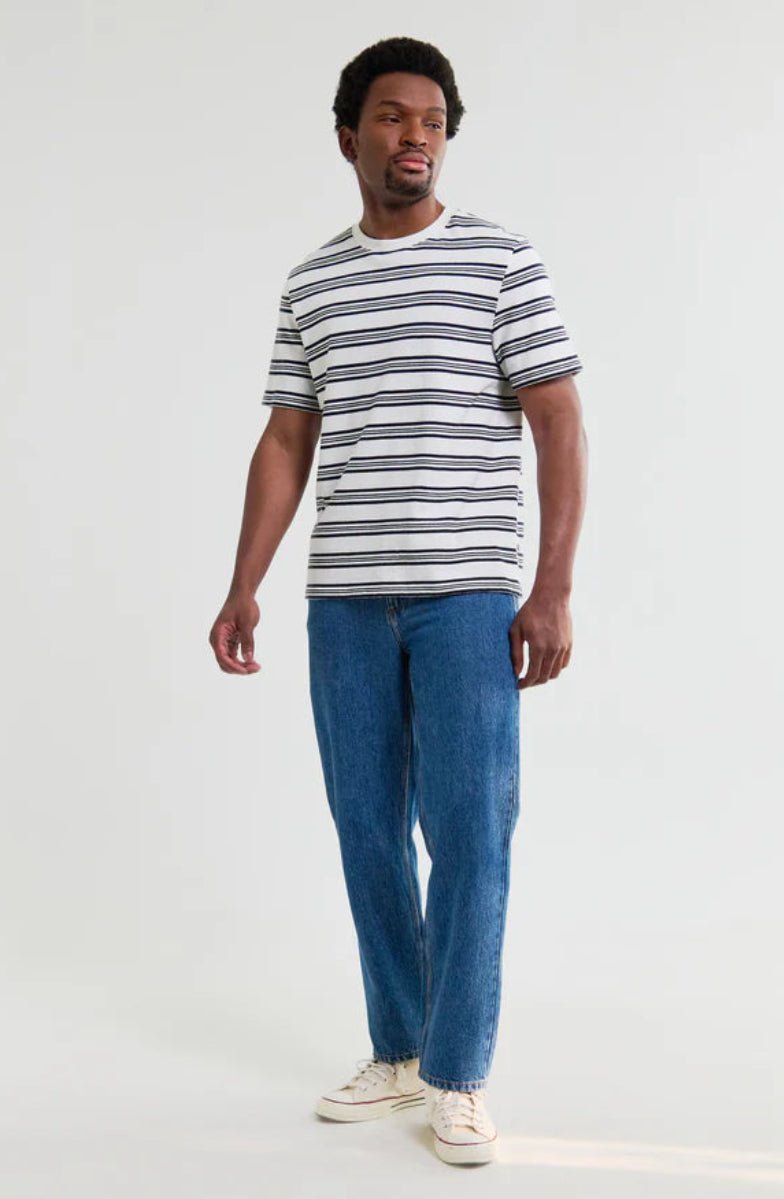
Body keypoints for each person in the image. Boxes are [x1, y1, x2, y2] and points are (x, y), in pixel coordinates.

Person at [209, 35, 588, 1167]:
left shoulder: (499, 261)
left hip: (467, 596)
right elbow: (287, 436)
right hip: (344, 602)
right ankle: (400, 1046)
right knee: (367, 825)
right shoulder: (313, 281)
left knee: (468, 830)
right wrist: (244, 583)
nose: (413, 135)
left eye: (429, 120)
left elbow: (557, 418)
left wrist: (550, 585)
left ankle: (458, 1070)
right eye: (390, 117)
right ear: (347, 136)